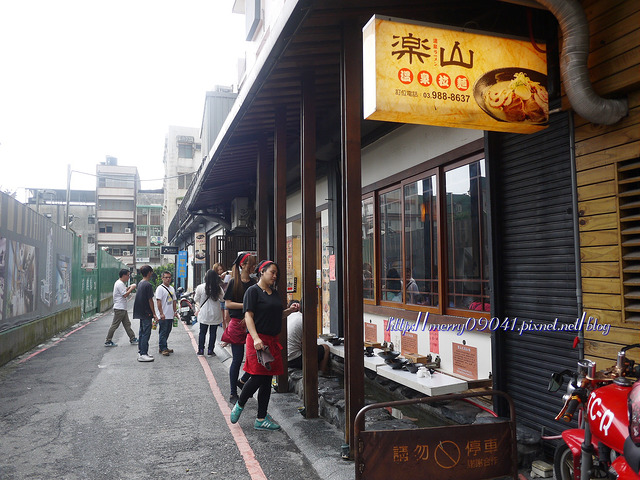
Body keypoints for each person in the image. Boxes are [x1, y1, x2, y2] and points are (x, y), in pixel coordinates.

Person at [230, 260, 299, 431]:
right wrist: (255, 339)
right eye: (272, 272)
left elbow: (276, 316)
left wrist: (289, 311)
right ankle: (240, 404)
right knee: (258, 376)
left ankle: (261, 418)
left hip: (272, 340)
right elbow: (248, 317)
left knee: (267, 380)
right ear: (262, 271)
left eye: (276, 274)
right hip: (257, 340)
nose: (275, 276)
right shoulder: (252, 292)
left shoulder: (274, 293)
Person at [224, 252, 256, 403]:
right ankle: (232, 393)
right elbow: (228, 304)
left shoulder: (254, 283)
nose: (253, 267)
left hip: (251, 324)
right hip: (237, 323)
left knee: (253, 358)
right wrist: (246, 306)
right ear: (243, 265)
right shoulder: (233, 282)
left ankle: (242, 381)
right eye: (251, 264)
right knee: (237, 359)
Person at [287, 299, 330, 374]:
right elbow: (308, 345)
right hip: (294, 360)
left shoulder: (291, 316)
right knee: (325, 348)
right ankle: (321, 374)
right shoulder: (305, 320)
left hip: (284, 358)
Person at [194, 269, 224, 356]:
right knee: (213, 332)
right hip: (215, 313)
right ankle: (210, 350)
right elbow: (222, 299)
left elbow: (196, 299)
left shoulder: (200, 287)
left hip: (204, 313)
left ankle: (201, 350)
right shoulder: (218, 288)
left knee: (202, 332)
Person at [105, 269, 138, 347]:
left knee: (127, 324)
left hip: (122, 308)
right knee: (115, 325)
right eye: (128, 275)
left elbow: (123, 291)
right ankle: (108, 340)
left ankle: (132, 338)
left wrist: (129, 287)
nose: (129, 277)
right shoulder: (119, 283)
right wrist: (132, 288)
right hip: (119, 308)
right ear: (123, 275)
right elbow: (125, 295)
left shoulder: (121, 283)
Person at [133, 265, 158, 362]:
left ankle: (142, 352)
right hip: (146, 312)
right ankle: (143, 353)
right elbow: (150, 300)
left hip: (140, 311)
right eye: (151, 272)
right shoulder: (148, 285)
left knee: (142, 332)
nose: (152, 274)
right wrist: (154, 313)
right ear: (149, 273)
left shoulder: (140, 283)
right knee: (146, 333)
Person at [155, 271, 177, 356]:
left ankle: (164, 346)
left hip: (170, 314)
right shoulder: (160, 288)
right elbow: (158, 301)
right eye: (166, 277)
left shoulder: (172, 288)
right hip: (163, 315)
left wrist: (175, 312)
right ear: (162, 278)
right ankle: (163, 348)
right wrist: (161, 313)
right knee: (163, 332)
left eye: (169, 277)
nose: (168, 279)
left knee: (168, 331)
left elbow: (174, 301)